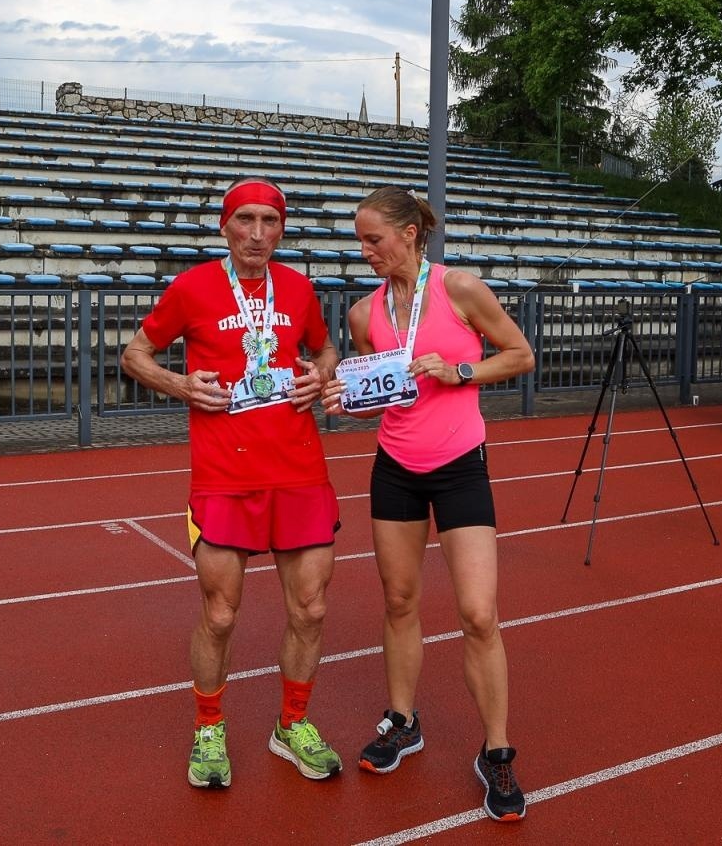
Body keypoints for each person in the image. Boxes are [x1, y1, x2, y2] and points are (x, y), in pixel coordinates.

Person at [120, 178, 342, 790]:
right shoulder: (192, 287)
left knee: (312, 607)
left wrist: (319, 377)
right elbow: (135, 354)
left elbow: (323, 353)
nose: (257, 233)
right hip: (223, 476)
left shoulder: (298, 288)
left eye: (270, 222)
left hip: (299, 471)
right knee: (220, 615)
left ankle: (291, 724)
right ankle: (209, 727)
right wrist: (181, 385)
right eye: (245, 220)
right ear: (225, 226)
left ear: (282, 230)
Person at [324, 186, 535, 822]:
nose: (365, 253)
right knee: (398, 601)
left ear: (411, 232)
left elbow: (520, 355)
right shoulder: (365, 314)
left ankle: (496, 752)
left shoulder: (460, 288)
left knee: (478, 613)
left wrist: (461, 372)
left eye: (373, 240)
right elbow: (382, 386)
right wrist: (348, 397)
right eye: (359, 241)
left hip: (459, 468)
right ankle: (402, 721)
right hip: (395, 469)